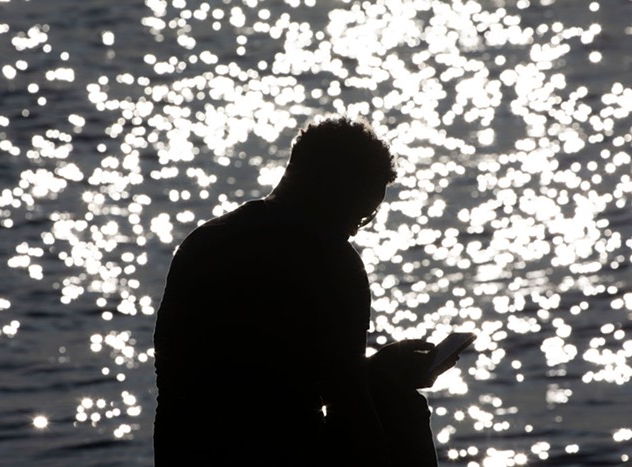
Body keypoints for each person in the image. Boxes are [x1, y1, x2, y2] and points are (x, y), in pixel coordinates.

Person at [153, 117, 451, 466]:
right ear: (339, 191)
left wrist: (371, 369)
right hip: (278, 451)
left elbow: (253, 380)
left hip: (184, 449)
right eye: (363, 215)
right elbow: (348, 406)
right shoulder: (331, 260)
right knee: (400, 404)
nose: (357, 229)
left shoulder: (204, 241)